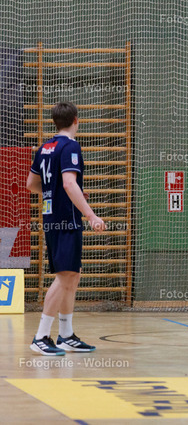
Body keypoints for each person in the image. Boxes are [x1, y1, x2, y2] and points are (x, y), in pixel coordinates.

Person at [26, 101, 105, 356]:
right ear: (76, 120)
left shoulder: (45, 147)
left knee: (72, 275)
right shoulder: (70, 146)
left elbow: (31, 184)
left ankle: (66, 335)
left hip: (52, 217)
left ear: (55, 121)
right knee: (64, 277)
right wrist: (91, 215)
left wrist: (59, 193)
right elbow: (70, 184)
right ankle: (40, 337)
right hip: (66, 219)